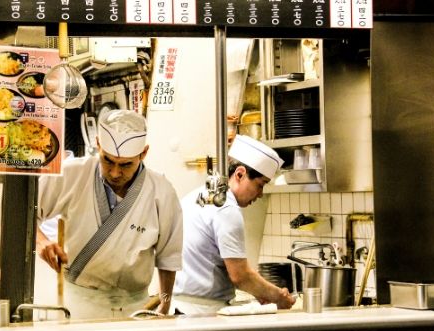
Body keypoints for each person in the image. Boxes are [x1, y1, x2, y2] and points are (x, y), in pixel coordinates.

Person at [36, 109, 183, 319]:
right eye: (107, 160)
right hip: (79, 306)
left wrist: (165, 306)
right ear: (98, 144)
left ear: (143, 153)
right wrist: (41, 242)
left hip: (136, 308)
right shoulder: (72, 174)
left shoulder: (162, 191)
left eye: (126, 164)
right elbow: (26, 214)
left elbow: (168, 257)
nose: (115, 173)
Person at [173, 135, 295, 314]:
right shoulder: (227, 209)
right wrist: (278, 297)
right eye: (260, 185)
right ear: (240, 174)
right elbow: (240, 275)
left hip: (180, 307)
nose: (260, 194)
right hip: (204, 312)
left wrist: (262, 292)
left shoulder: (196, 196)